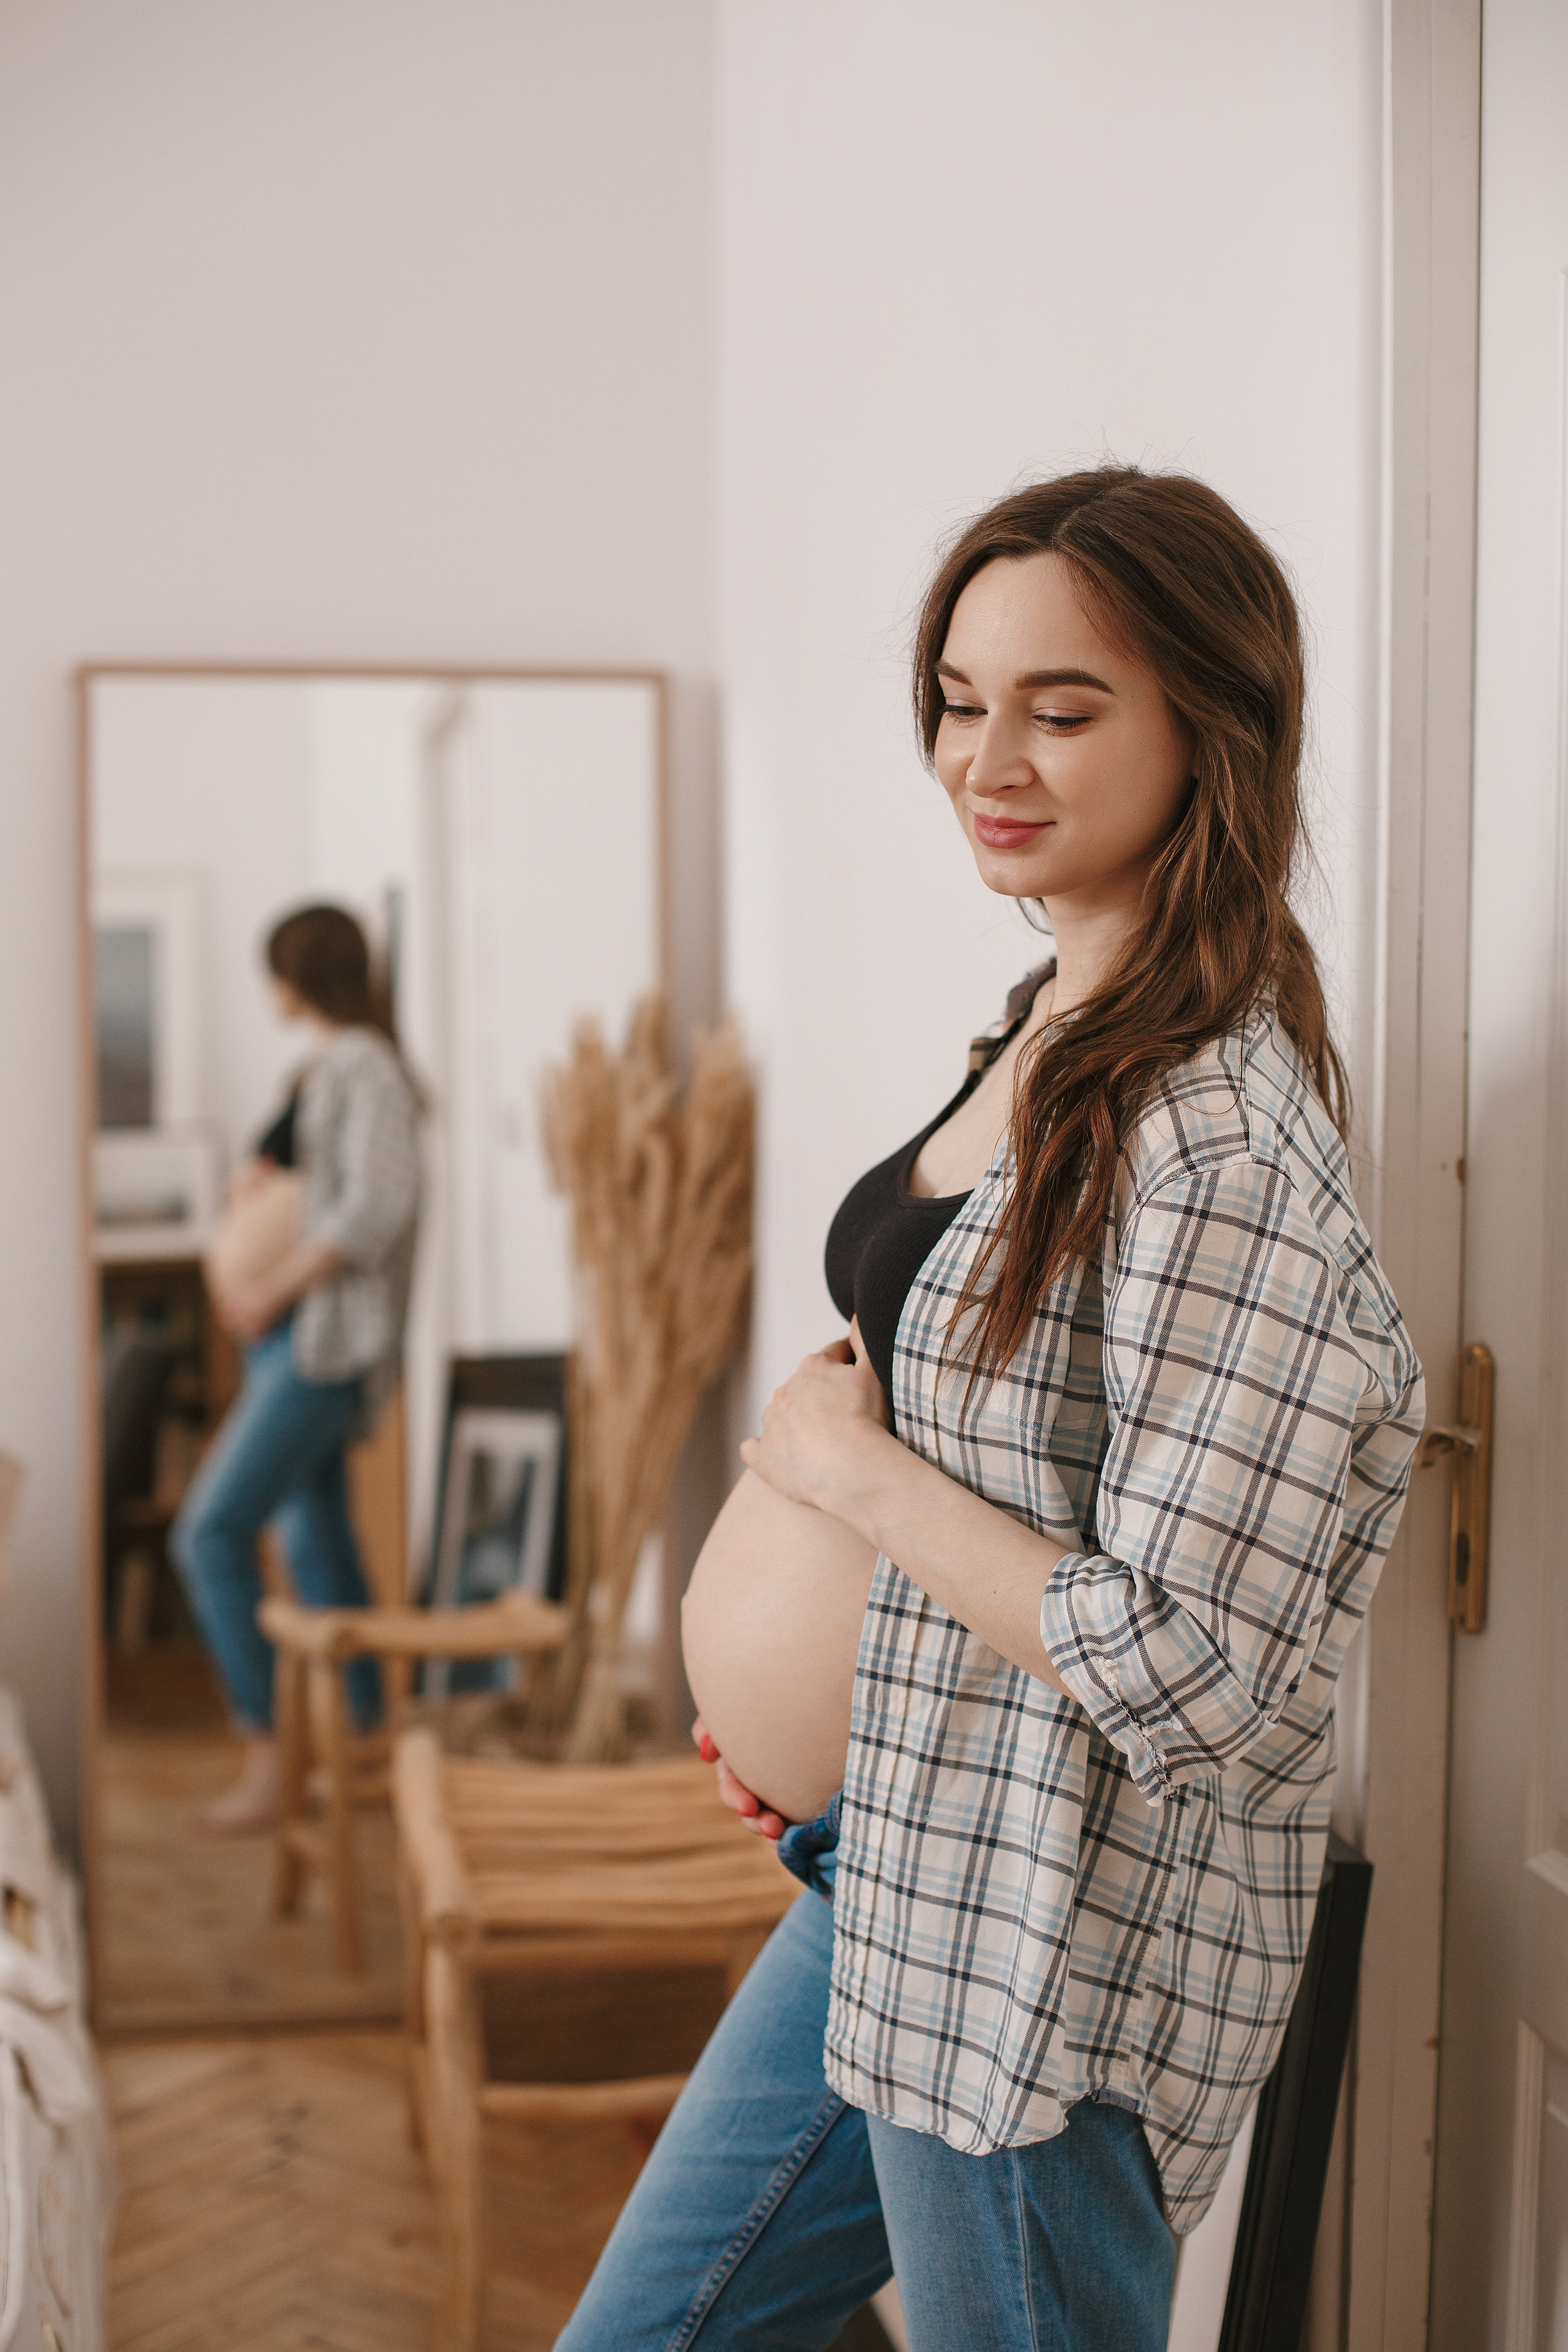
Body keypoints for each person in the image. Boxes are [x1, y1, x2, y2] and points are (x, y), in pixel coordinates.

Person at [562, 469, 1424, 2351]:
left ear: (1216, 721)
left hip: (1044, 1943)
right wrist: (823, 1720)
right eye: (961, 698)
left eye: (1063, 706)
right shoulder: (1045, 1012)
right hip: (896, 1860)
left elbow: (1197, 1665)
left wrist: (848, 1483)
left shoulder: (1218, 1144)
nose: (987, 758)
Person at [171, 903, 421, 1834]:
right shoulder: (329, 1068)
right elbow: (320, 1188)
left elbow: (372, 1209)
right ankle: (359, 1743)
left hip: (321, 1345)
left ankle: (273, 1755)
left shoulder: (366, 1067)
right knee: (320, 1546)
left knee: (209, 1534)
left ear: (297, 977)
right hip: (294, 1340)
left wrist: (271, 1286)